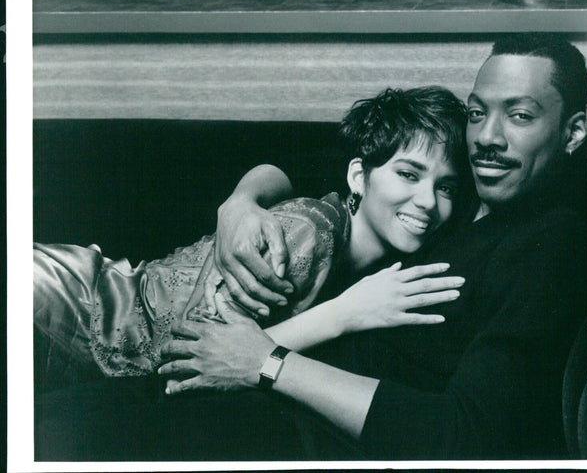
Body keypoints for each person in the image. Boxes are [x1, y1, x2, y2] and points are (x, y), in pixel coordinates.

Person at [35, 33, 587, 461]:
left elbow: (468, 434)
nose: (488, 137)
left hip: (268, 420)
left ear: (572, 132)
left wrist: (270, 364)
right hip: (116, 323)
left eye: (520, 115)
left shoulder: (552, 242)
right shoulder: (455, 190)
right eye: (478, 112)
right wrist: (239, 202)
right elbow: (309, 172)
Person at [33, 86, 472, 392]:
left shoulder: (355, 244)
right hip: (65, 302)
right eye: (409, 174)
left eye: (447, 187)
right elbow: (194, 358)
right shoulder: (306, 233)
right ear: (359, 175)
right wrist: (347, 313)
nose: (429, 202)